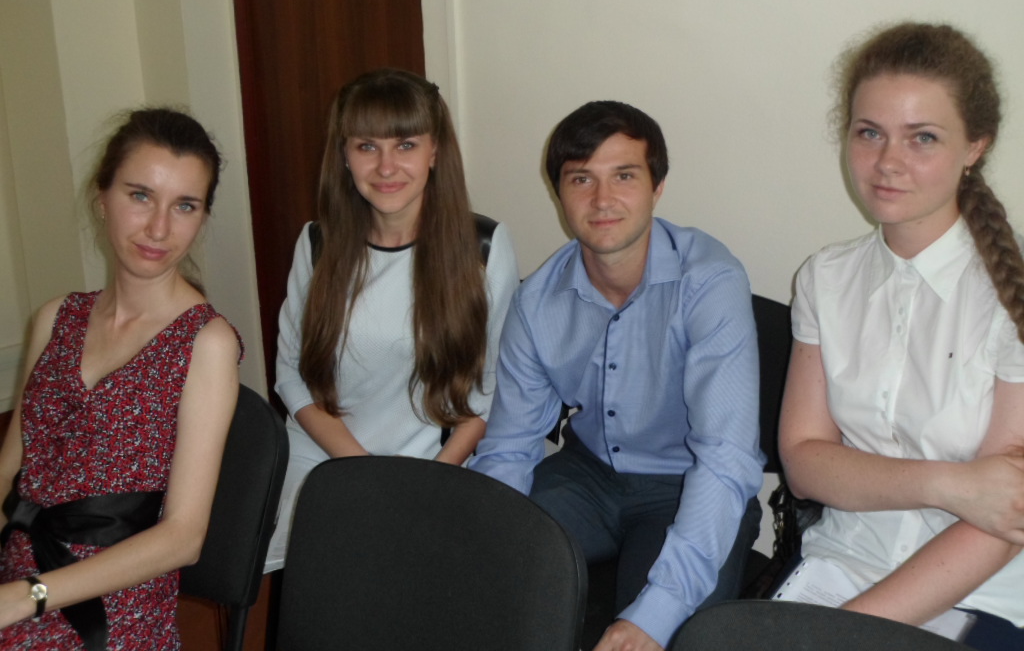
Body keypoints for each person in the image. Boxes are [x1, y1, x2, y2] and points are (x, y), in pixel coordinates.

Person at [470, 101, 764, 651]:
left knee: (664, 635)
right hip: (586, 478)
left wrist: (654, 614)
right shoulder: (537, 302)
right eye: (581, 179)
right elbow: (509, 449)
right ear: (559, 194)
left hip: (686, 482)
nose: (602, 200)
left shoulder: (709, 282)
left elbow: (726, 458)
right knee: (471, 578)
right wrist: (487, 549)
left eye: (624, 176)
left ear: (658, 187)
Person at [778, 22, 1024, 651]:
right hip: (840, 564)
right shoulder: (825, 278)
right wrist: (951, 484)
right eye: (870, 133)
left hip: (982, 595)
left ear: (975, 147)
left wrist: (844, 633)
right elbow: (803, 462)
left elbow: (1005, 514)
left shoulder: (1012, 295)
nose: (888, 162)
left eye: (923, 138)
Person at [0, 108, 242, 650]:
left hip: (111, 614)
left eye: (185, 205)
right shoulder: (55, 318)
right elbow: (9, 471)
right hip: (16, 582)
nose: (159, 228)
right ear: (101, 197)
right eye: (140, 196)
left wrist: (26, 597)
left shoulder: (207, 343)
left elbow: (182, 538)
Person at [265, 68, 519, 571]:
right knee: (316, 580)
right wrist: (364, 471)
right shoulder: (316, 243)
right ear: (344, 155)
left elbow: (492, 392)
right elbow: (290, 375)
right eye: (366, 146)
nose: (386, 167)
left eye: (405, 145)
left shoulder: (484, 248)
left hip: (433, 464)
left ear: (435, 151)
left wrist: (427, 478)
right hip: (324, 454)